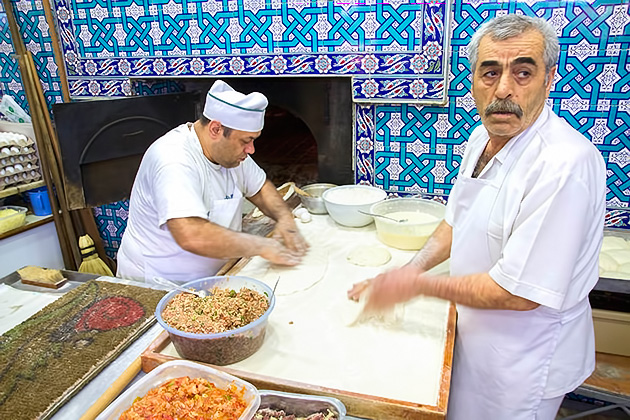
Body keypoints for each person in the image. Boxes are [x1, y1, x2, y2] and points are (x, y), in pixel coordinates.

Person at [348, 15, 606, 420]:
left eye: (523, 72)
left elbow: (518, 293)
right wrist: (409, 268)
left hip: (524, 358)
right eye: (490, 72)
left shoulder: (564, 164)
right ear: (472, 79)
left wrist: (413, 286)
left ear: (549, 77)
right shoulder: (481, 138)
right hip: (475, 334)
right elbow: (457, 220)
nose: (503, 89)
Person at [117, 80, 308, 283]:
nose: (251, 149)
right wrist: (261, 246)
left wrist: (285, 218)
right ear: (216, 129)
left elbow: (260, 188)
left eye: (253, 140)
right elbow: (191, 234)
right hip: (160, 283)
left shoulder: (231, 154)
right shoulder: (174, 160)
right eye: (246, 141)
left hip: (215, 277)